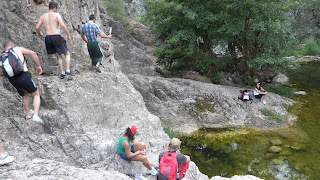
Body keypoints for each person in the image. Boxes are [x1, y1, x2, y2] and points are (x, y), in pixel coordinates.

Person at [1, 41, 43, 123]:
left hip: (13, 79)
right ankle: (35, 115)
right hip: (24, 75)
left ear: (4, 48)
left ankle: (28, 114)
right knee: (35, 94)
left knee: (25, 94)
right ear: (12, 45)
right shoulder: (17, 49)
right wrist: (38, 66)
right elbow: (33, 53)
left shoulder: (2, 55)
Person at [35, 2, 73, 79]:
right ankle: (67, 70)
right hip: (56, 36)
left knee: (58, 56)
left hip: (48, 37)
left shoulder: (43, 16)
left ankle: (62, 72)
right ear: (55, 8)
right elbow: (63, 25)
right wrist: (68, 35)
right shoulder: (56, 15)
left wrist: (39, 33)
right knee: (67, 53)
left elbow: (37, 27)